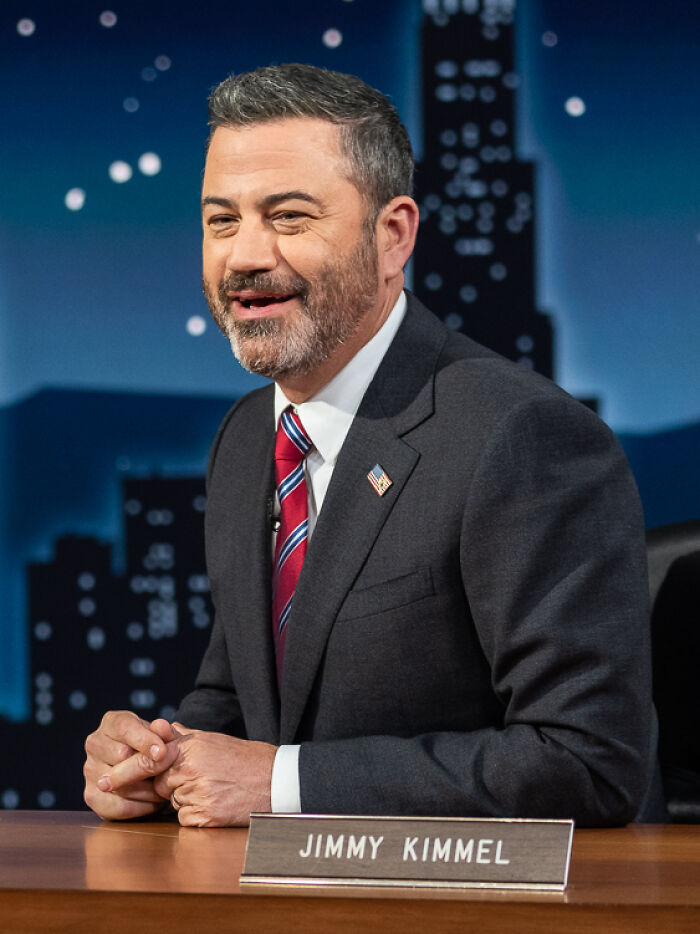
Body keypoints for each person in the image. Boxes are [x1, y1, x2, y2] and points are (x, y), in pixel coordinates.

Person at [83, 64, 664, 828]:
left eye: (288, 217)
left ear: (393, 236)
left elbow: (588, 763)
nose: (245, 256)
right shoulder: (248, 437)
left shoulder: (524, 437)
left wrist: (281, 787)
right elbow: (242, 704)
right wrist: (158, 762)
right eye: (221, 221)